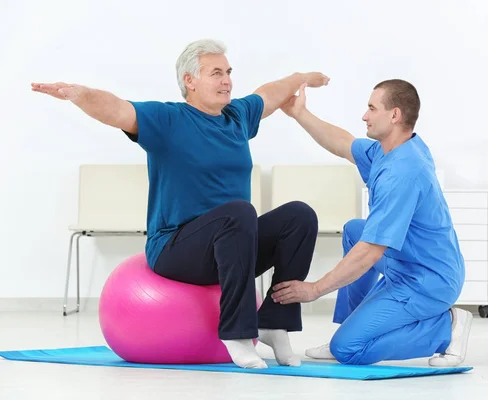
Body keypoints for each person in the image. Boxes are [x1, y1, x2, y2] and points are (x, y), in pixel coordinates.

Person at [31, 39, 331, 369]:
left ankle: (274, 323)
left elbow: (271, 93)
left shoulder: (238, 117)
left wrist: (303, 77)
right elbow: (117, 109)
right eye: (216, 73)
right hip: (176, 249)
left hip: (233, 246)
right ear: (189, 80)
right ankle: (236, 333)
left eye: (228, 72)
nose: (227, 80)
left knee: (299, 216)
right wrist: (78, 94)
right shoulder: (168, 120)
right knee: (239, 212)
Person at [271, 79, 473, 367]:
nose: (364, 116)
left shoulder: (403, 173)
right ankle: (352, 325)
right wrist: (299, 113)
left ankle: (446, 327)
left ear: (395, 115)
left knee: (349, 350)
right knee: (356, 229)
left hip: (428, 281)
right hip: (410, 262)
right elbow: (341, 143)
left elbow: (371, 252)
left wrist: (314, 289)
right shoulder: (390, 150)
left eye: (371, 108)